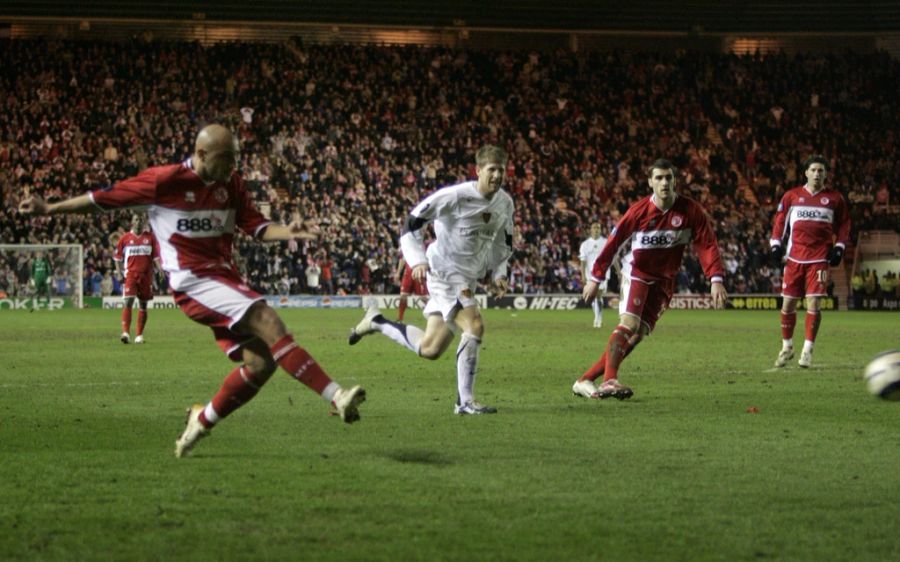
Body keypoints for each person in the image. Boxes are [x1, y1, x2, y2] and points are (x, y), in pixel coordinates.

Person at [19, 124, 366, 457]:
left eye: (235, 158)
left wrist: (288, 231)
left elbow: (256, 226)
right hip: (192, 283)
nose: (233, 166)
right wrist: (50, 208)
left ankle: (199, 422)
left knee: (261, 364)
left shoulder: (231, 183)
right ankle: (337, 397)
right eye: (226, 158)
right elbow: (103, 199)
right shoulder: (164, 181)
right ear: (202, 153)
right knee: (267, 319)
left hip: (225, 279)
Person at [348, 145, 514, 415]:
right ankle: (465, 402)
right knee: (474, 325)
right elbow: (412, 222)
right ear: (478, 170)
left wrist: (499, 273)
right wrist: (417, 260)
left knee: (430, 348)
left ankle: (377, 322)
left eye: (501, 170)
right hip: (444, 272)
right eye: (491, 169)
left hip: (467, 277)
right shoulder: (455, 196)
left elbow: (504, 243)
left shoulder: (505, 203)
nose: (496, 175)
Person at [573, 159, 727, 400]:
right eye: (659, 178)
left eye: (668, 177)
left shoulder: (690, 211)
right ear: (650, 182)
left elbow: (707, 244)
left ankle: (584, 380)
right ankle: (609, 381)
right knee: (630, 324)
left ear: (675, 180)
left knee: (636, 336)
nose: (664, 182)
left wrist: (715, 277)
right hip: (638, 274)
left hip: (665, 281)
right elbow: (613, 243)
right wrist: (595, 277)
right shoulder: (639, 211)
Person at [769, 155, 850, 368]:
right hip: (794, 258)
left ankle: (807, 350)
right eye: (813, 170)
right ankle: (787, 347)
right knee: (788, 304)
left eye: (821, 170)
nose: (817, 174)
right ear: (806, 172)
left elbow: (844, 225)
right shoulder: (792, 196)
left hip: (819, 259)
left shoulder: (835, 199)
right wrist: (775, 244)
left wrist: (839, 247)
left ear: (826, 174)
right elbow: (779, 222)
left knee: (813, 302)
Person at [114, 213, 161, 344]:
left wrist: (161, 269)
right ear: (132, 223)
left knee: (143, 304)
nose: (139, 221)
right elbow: (117, 258)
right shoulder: (125, 238)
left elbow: (156, 257)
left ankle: (139, 335)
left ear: (144, 222)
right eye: (136, 219)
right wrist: (119, 273)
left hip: (146, 276)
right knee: (128, 301)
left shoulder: (150, 238)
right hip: (130, 275)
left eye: (141, 219)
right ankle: (125, 333)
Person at [579, 222, 607, 328]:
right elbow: (583, 262)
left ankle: (598, 318)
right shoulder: (585, 244)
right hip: (590, 274)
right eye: (594, 227)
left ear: (601, 230)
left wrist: (618, 271)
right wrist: (582, 275)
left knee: (598, 295)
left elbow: (613, 257)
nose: (596, 229)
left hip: (603, 273)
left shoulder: (605, 242)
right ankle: (597, 317)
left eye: (598, 228)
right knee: (593, 296)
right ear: (590, 230)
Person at [395, 255, 429, 321]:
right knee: (403, 295)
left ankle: (434, 315)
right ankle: (400, 317)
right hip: (408, 273)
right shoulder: (405, 247)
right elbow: (402, 259)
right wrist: (398, 272)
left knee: (424, 298)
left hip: (419, 272)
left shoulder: (423, 246)